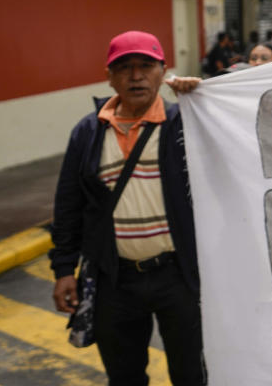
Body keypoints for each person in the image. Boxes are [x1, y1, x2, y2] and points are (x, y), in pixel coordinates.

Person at [50, 31, 205, 385]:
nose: (135, 76)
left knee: (192, 374)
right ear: (109, 77)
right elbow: (69, 205)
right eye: (124, 68)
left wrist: (203, 99)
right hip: (113, 280)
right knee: (124, 376)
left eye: (146, 66)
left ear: (164, 71)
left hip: (177, 276)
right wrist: (63, 270)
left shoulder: (185, 123)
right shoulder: (87, 133)